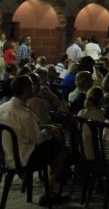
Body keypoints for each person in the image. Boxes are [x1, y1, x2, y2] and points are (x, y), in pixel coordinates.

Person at [0, 76, 68, 205]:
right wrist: (49, 131)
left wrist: (45, 127)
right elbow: (37, 139)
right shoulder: (25, 114)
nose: (34, 88)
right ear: (26, 91)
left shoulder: (3, 108)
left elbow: (20, 130)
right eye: (31, 86)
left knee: (53, 145)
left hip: (7, 156)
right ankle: (47, 192)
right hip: (26, 158)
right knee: (62, 150)